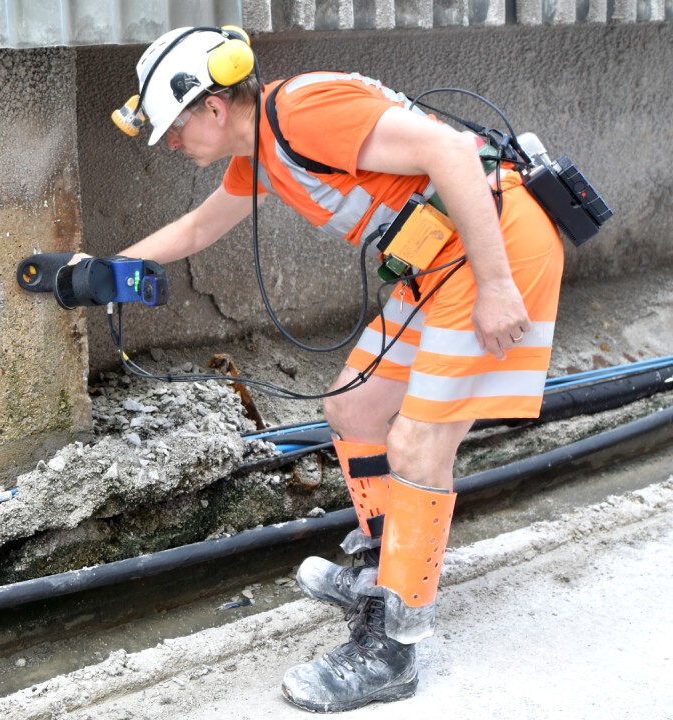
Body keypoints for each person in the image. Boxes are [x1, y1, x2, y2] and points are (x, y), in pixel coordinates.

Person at [99, 26, 564, 712]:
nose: (171, 142)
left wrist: (497, 286)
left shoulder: (306, 111)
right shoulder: (260, 152)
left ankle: (393, 645)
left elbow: (451, 153)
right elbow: (198, 230)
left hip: (495, 250)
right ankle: (386, 569)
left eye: (173, 126)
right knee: (354, 407)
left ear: (214, 108)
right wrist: (103, 274)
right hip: (438, 261)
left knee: (417, 444)